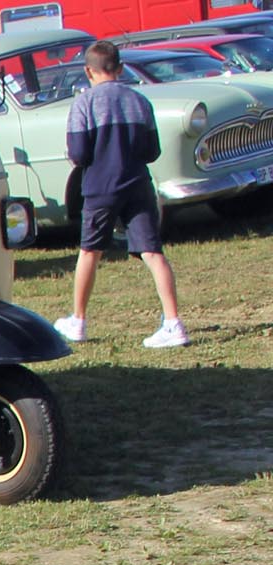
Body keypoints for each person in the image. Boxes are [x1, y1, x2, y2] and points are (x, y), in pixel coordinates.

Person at [56, 40, 186, 348]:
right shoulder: (140, 102)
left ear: (89, 71)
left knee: (90, 251)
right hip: (137, 184)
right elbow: (152, 151)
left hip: (101, 187)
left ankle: (79, 320)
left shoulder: (84, 104)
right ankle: (173, 323)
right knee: (153, 252)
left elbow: (78, 152)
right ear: (121, 67)